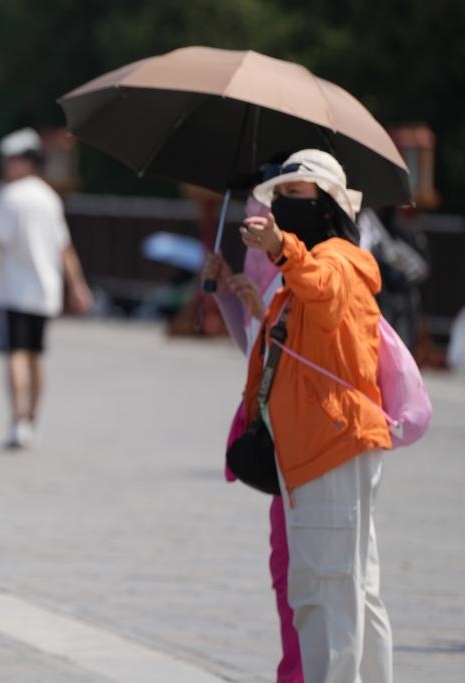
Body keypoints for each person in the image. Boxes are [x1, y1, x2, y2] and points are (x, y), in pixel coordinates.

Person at [240, 149, 392, 683]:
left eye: (295, 195)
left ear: (329, 205)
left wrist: (280, 248)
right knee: (353, 589)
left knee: (325, 592)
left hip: (329, 443)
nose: (283, 204)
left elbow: (321, 285)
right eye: (279, 195)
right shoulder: (325, 264)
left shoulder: (337, 261)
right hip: (328, 442)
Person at [203, 193, 302, 683]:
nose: (250, 232)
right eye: (246, 223)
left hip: (308, 444)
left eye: (258, 222)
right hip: (278, 437)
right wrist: (230, 295)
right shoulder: (272, 273)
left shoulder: (313, 271)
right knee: (284, 570)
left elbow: (305, 359)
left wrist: (260, 310)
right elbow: (254, 352)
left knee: (306, 576)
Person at [0, 127, 92, 448]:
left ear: (24, 161)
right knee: (36, 356)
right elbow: (64, 248)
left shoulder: (9, 197)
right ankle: (32, 420)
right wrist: (78, 286)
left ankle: (18, 420)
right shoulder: (49, 198)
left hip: (12, 291)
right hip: (45, 291)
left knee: (16, 355)